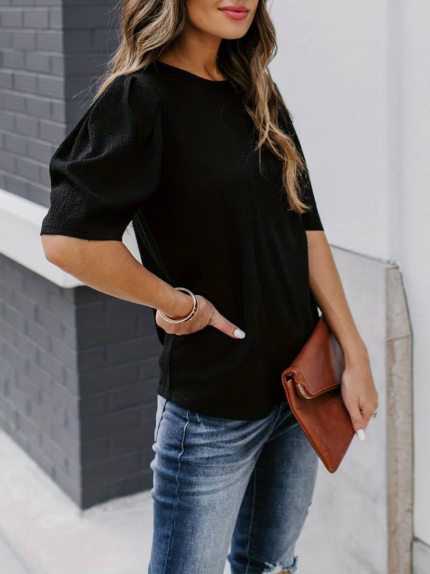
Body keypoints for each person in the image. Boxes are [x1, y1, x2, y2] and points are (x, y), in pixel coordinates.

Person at [40, 1, 379, 572]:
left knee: (272, 565)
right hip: (213, 410)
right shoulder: (141, 98)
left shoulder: (257, 93)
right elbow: (68, 239)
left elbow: (307, 227)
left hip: (300, 387)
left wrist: (356, 351)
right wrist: (176, 303)